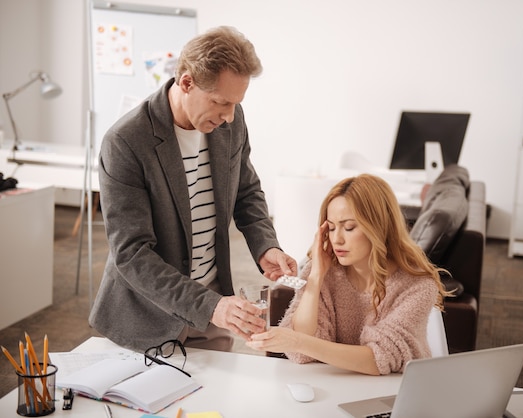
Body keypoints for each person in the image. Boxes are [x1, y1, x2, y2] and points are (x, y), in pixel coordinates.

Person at [89, 26, 297, 353]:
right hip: (148, 318)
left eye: (235, 104)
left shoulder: (231, 119)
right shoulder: (126, 142)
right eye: (220, 102)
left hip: (212, 310)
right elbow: (131, 253)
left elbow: (246, 190)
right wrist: (210, 305)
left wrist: (265, 246)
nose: (229, 116)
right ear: (186, 83)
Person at [246, 174, 449, 375]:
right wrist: (315, 277)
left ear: (378, 227)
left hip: (396, 393)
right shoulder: (325, 272)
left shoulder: (417, 286)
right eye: (331, 228)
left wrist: (298, 342)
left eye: (349, 227)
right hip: (337, 390)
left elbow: (379, 359)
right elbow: (301, 355)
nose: (337, 239)